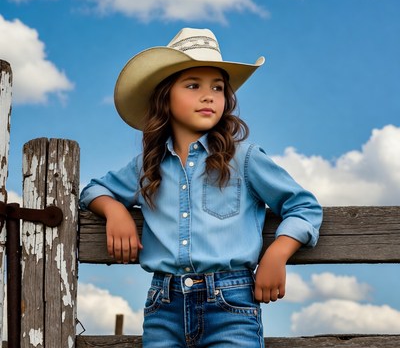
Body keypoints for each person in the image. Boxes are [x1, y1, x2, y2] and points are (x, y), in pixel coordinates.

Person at [79, 27, 323, 347]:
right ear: (164, 97)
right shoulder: (147, 166)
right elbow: (93, 190)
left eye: (218, 87)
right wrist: (114, 210)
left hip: (231, 306)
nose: (209, 96)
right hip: (163, 306)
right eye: (193, 85)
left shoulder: (244, 158)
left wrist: (277, 252)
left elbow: (303, 206)